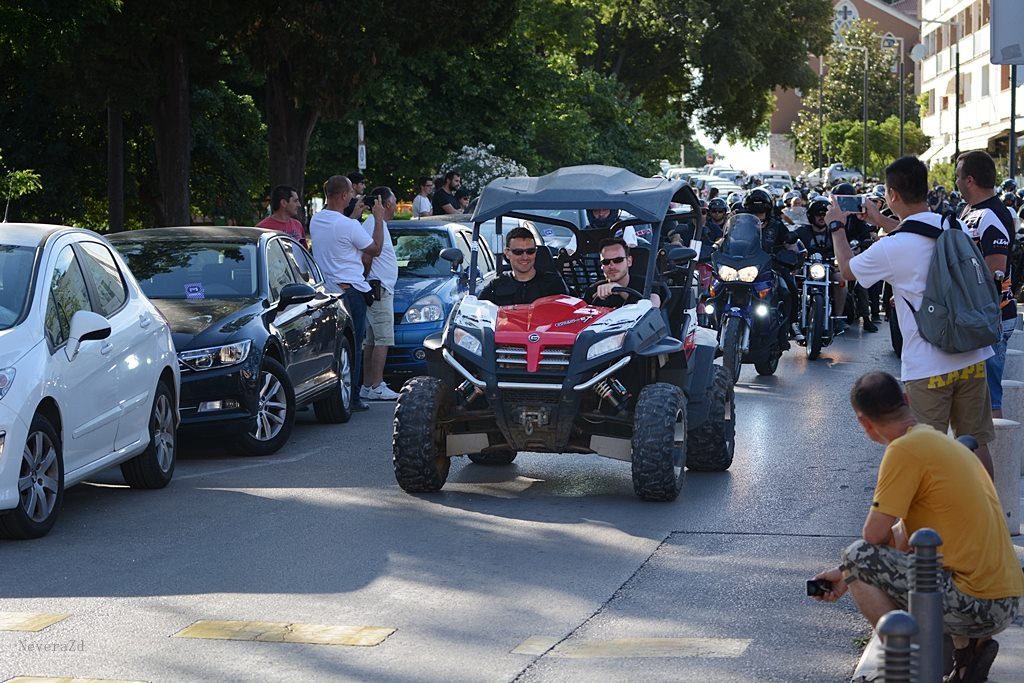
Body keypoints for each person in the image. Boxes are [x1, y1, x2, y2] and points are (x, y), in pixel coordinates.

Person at [811, 372, 1023, 683]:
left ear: (863, 422)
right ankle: (966, 660)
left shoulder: (903, 450)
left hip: (977, 604)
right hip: (1007, 599)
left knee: (856, 554)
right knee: (865, 562)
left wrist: (853, 568)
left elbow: (872, 539)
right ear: (908, 401)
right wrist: (845, 575)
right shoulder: (941, 443)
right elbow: (902, 535)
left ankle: (907, 660)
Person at [828, 156, 996, 478]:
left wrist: (837, 225)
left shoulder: (892, 248)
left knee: (924, 452)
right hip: (972, 352)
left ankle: (928, 524)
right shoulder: (950, 224)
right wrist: (881, 220)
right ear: (926, 188)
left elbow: (848, 270)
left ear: (892, 194)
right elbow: (917, 233)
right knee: (975, 444)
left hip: (929, 363)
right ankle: (989, 515)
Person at [309, 175, 386, 412]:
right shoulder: (349, 226)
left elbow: (338, 236)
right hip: (351, 291)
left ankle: (335, 394)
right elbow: (375, 249)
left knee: (335, 345)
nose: (353, 196)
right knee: (355, 345)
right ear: (343, 196)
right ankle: (352, 398)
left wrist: (353, 217)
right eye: (351, 192)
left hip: (327, 290)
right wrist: (379, 219)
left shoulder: (317, 220)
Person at [955, 151, 1017, 419]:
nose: (955, 182)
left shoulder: (993, 214)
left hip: (991, 319)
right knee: (973, 399)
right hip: (975, 319)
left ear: (970, 180)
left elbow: (996, 272)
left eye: (957, 176)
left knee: (989, 400)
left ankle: (998, 458)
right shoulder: (968, 210)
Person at [743, 188, 802, 342]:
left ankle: (792, 324)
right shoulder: (740, 225)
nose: (758, 216)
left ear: (768, 211)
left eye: (761, 212)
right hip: (743, 268)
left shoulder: (777, 226)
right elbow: (726, 240)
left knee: (789, 289)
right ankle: (712, 325)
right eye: (754, 212)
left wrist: (792, 254)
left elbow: (791, 245)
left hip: (772, 267)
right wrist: (717, 246)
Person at [359, 187, 401, 401]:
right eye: (393, 202)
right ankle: (376, 385)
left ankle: (367, 385)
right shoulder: (375, 225)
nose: (395, 206)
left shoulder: (376, 224)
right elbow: (367, 257)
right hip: (379, 288)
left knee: (372, 341)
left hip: (377, 287)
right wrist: (365, 279)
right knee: (382, 339)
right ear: (385, 204)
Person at [794, 197, 847, 334]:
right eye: (819, 214)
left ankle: (838, 318)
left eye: (825, 214)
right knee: (791, 279)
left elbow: (844, 246)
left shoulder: (834, 231)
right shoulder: (802, 231)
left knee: (841, 280)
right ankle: (791, 317)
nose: (822, 217)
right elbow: (792, 242)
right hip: (806, 268)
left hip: (829, 267)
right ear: (811, 215)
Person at [831, 182, 879, 332]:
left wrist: (864, 242)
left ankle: (866, 318)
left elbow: (865, 232)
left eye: (848, 199)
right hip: (831, 257)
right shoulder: (830, 213)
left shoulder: (858, 217)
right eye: (841, 199)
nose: (845, 202)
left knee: (861, 283)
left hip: (852, 254)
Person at [478, 227, 568, 306]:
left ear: (536, 252)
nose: (525, 257)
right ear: (507, 253)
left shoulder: (553, 284)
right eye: (518, 252)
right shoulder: (495, 287)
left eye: (530, 251)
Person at [584, 237, 667, 309]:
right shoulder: (593, 291)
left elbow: (652, 309)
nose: (611, 266)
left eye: (618, 260)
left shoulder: (647, 285)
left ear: (629, 261)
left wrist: (621, 291)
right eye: (606, 262)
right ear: (601, 265)